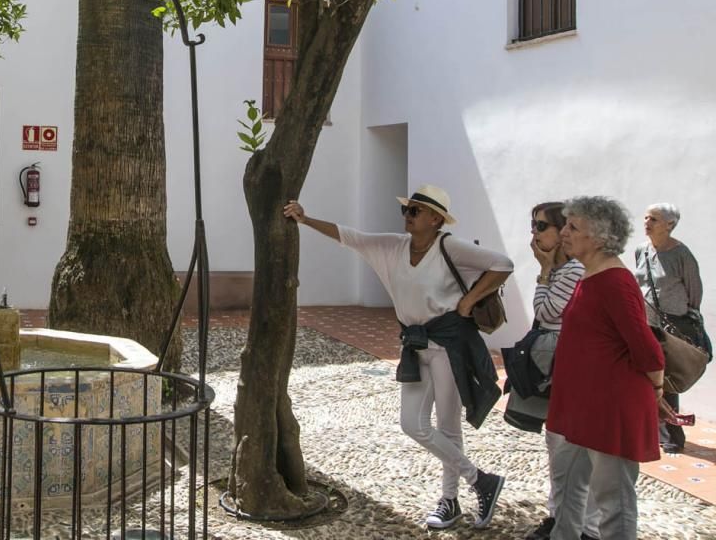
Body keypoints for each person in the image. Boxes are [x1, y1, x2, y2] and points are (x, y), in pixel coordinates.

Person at [284, 184, 512, 530]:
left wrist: (469, 301)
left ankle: (449, 502)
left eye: (415, 211)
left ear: (436, 219)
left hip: (450, 343)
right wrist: (305, 219)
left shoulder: (450, 247)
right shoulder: (392, 246)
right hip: (415, 344)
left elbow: (503, 264)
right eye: (406, 210)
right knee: (412, 423)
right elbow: (349, 236)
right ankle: (481, 480)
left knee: (448, 427)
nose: (408, 215)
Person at [546, 196, 674, 540]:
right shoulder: (588, 276)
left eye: (574, 227)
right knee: (566, 485)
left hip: (610, 408)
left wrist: (657, 391)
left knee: (612, 501)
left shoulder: (616, 281)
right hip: (579, 407)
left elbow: (647, 349)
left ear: (599, 237)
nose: (564, 233)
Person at [512, 202, 599, 540]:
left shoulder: (572, 270)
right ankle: (559, 516)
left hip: (572, 369)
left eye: (541, 226)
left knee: (570, 449)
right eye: (532, 225)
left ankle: (584, 527)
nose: (533, 232)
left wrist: (544, 270)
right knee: (557, 444)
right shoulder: (563, 271)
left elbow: (546, 312)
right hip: (556, 370)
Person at [633, 202, 706, 453]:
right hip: (646, 324)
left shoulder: (681, 254)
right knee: (648, 378)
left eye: (653, 219)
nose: (647, 223)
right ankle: (654, 432)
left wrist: (683, 316)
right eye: (645, 217)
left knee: (667, 381)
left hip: (672, 326)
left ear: (669, 225)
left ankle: (673, 437)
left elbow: (694, 290)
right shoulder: (641, 251)